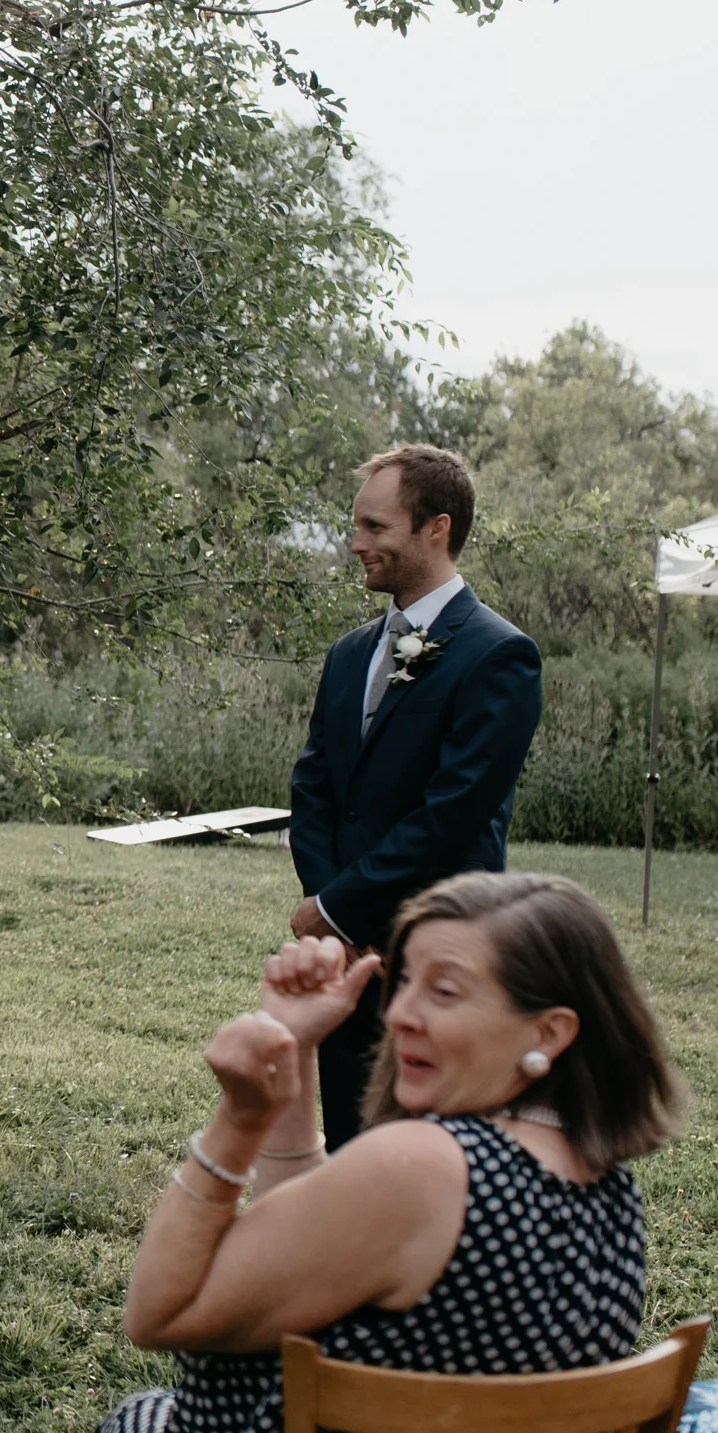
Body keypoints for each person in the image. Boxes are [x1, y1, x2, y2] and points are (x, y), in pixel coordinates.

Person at [62, 871, 682, 1433]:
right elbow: (317, 1246)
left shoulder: (427, 1166)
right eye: (405, 980)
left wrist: (239, 1121)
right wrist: (295, 1043)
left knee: (137, 1428)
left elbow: (159, 1312)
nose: (398, 1014)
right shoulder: (603, 1182)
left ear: (550, 1029)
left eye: (444, 991)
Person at [288, 443, 542, 1148]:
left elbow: (455, 811)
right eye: (356, 525)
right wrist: (333, 913)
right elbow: (314, 786)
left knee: (437, 1148)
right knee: (350, 1138)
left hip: (439, 946)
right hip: (348, 957)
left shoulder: (499, 655)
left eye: (374, 526)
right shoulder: (349, 653)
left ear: (436, 527)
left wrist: (338, 908)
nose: (355, 543)